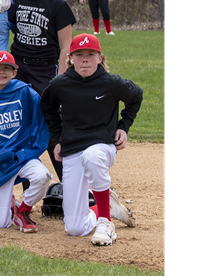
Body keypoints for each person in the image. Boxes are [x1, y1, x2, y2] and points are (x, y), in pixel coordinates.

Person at [40, 34, 140, 245]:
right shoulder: (60, 84)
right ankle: (107, 207)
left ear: (100, 58)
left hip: (101, 146)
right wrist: (58, 138)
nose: (85, 59)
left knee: (92, 156)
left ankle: (106, 222)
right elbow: (47, 107)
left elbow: (136, 96)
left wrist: (124, 126)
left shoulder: (112, 83)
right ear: (70, 58)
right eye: (79, 55)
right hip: (73, 149)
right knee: (75, 228)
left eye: (90, 55)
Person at [0, 51, 52, 233]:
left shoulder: (27, 93)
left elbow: (41, 128)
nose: (1, 72)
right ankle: (11, 203)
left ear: (15, 72)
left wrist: (26, 153)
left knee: (43, 176)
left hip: (20, 159)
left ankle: (22, 210)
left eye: (7, 68)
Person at [8, 0, 75, 180]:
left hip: (45, 70)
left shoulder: (58, 4)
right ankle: (27, 183)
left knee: (50, 123)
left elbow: (66, 48)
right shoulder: (15, 0)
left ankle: (70, 183)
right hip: (18, 69)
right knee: (19, 123)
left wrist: (61, 80)